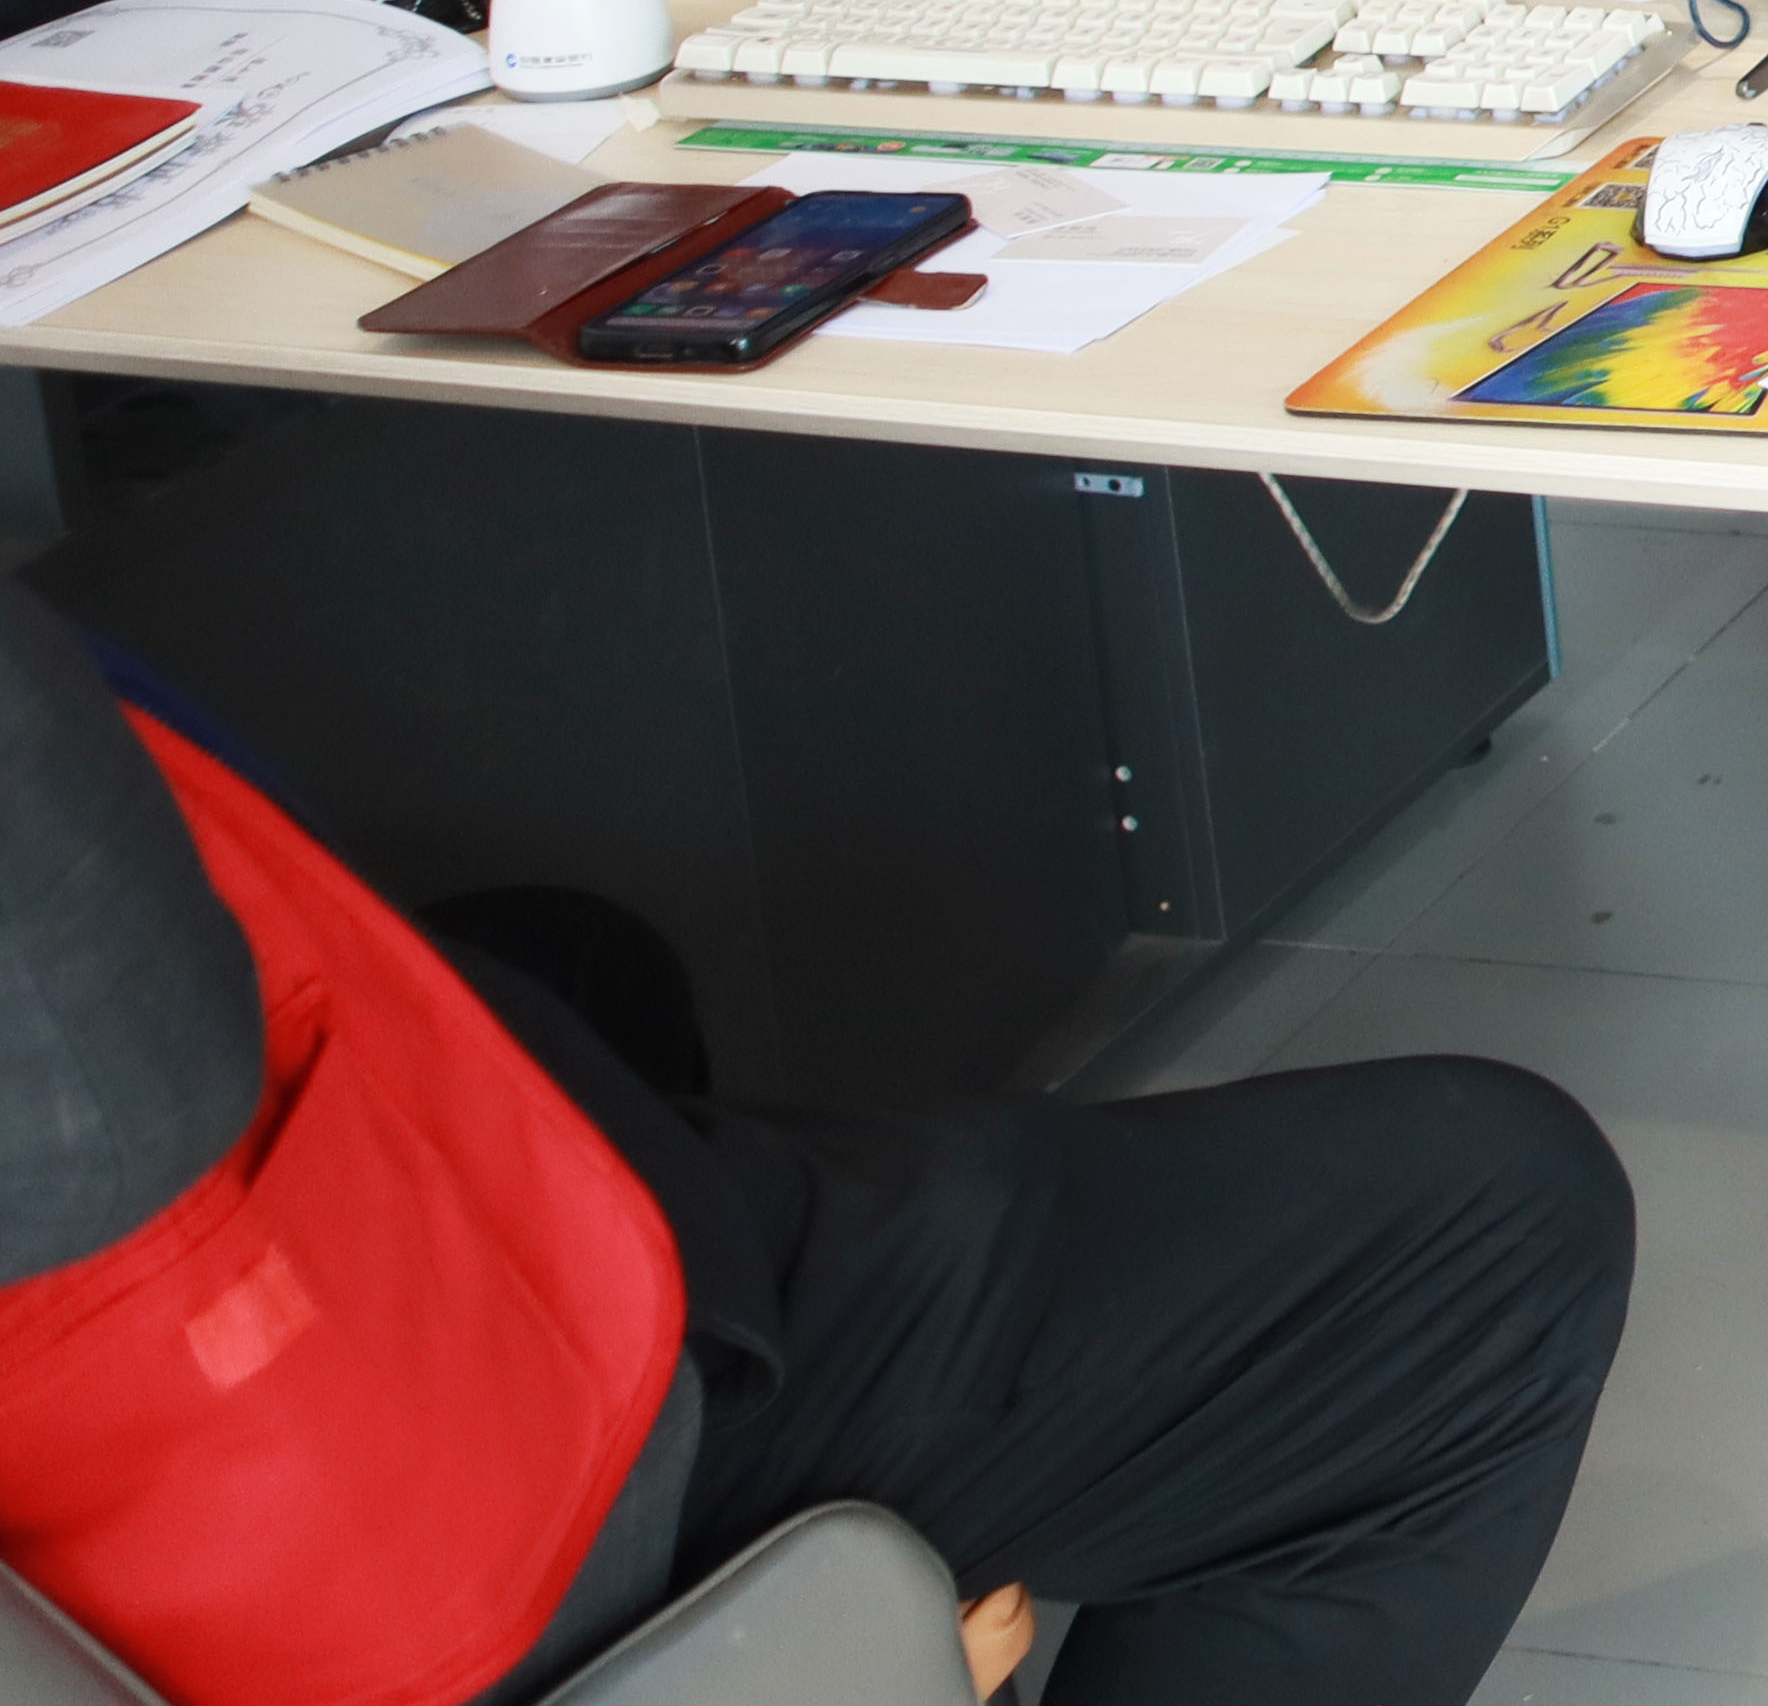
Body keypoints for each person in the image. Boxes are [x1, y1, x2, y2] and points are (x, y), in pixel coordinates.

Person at [0, 582, 1628, 1706]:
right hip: (383, 1524)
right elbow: (105, 1083)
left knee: (577, 960)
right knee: (1485, 1234)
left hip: (230, 1353)